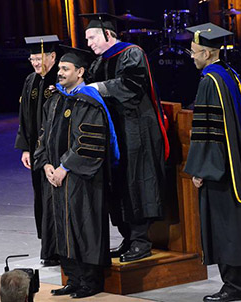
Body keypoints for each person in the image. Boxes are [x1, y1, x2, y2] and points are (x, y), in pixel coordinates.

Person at [80, 13, 170, 262]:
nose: (88, 43)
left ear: (108, 34)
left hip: (137, 130)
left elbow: (131, 86)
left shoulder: (132, 53)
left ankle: (141, 241)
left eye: (92, 37)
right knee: (118, 184)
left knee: (137, 182)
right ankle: (128, 238)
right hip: (117, 131)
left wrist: (97, 88)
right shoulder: (100, 61)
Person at [184, 23, 241, 302]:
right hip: (235, 161)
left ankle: (235, 287)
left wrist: (200, 169)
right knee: (233, 224)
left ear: (207, 52)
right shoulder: (228, 74)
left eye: (194, 52)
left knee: (225, 225)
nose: (190, 56)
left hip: (220, 169)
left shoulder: (209, 81)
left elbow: (209, 131)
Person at [33, 45, 119, 298]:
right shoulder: (56, 99)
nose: (59, 73)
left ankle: (91, 282)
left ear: (80, 72)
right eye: (59, 68)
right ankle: (73, 278)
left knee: (84, 226)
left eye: (65, 69)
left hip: (81, 179)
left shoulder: (89, 102)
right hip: (56, 177)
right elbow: (43, 136)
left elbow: (89, 142)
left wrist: (64, 167)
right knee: (62, 228)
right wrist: (47, 164)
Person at [14, 35, 60, 267]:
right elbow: (24, 116)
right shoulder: (31, 81)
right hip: (36, 150)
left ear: (52, 56)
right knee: (41, 198)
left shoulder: (61, 80)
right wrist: (24, 148)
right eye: (32, 59)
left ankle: (59, 248)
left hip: (56, 151)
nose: (35, 63)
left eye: (38, 58)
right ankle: (48, 247)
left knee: (54, 198)